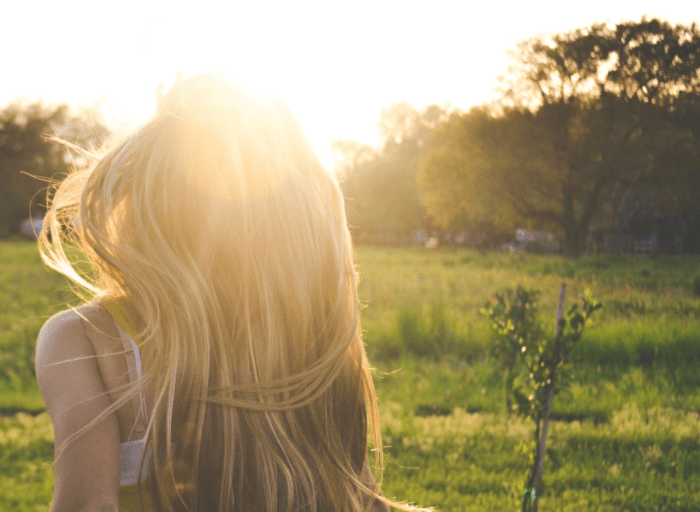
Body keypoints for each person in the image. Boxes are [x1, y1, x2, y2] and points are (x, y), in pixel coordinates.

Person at [35, 74, 427, 512]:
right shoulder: (309, 344)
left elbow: (88, 505)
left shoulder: (85, 340)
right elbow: (359, 496)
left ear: (143, 199)